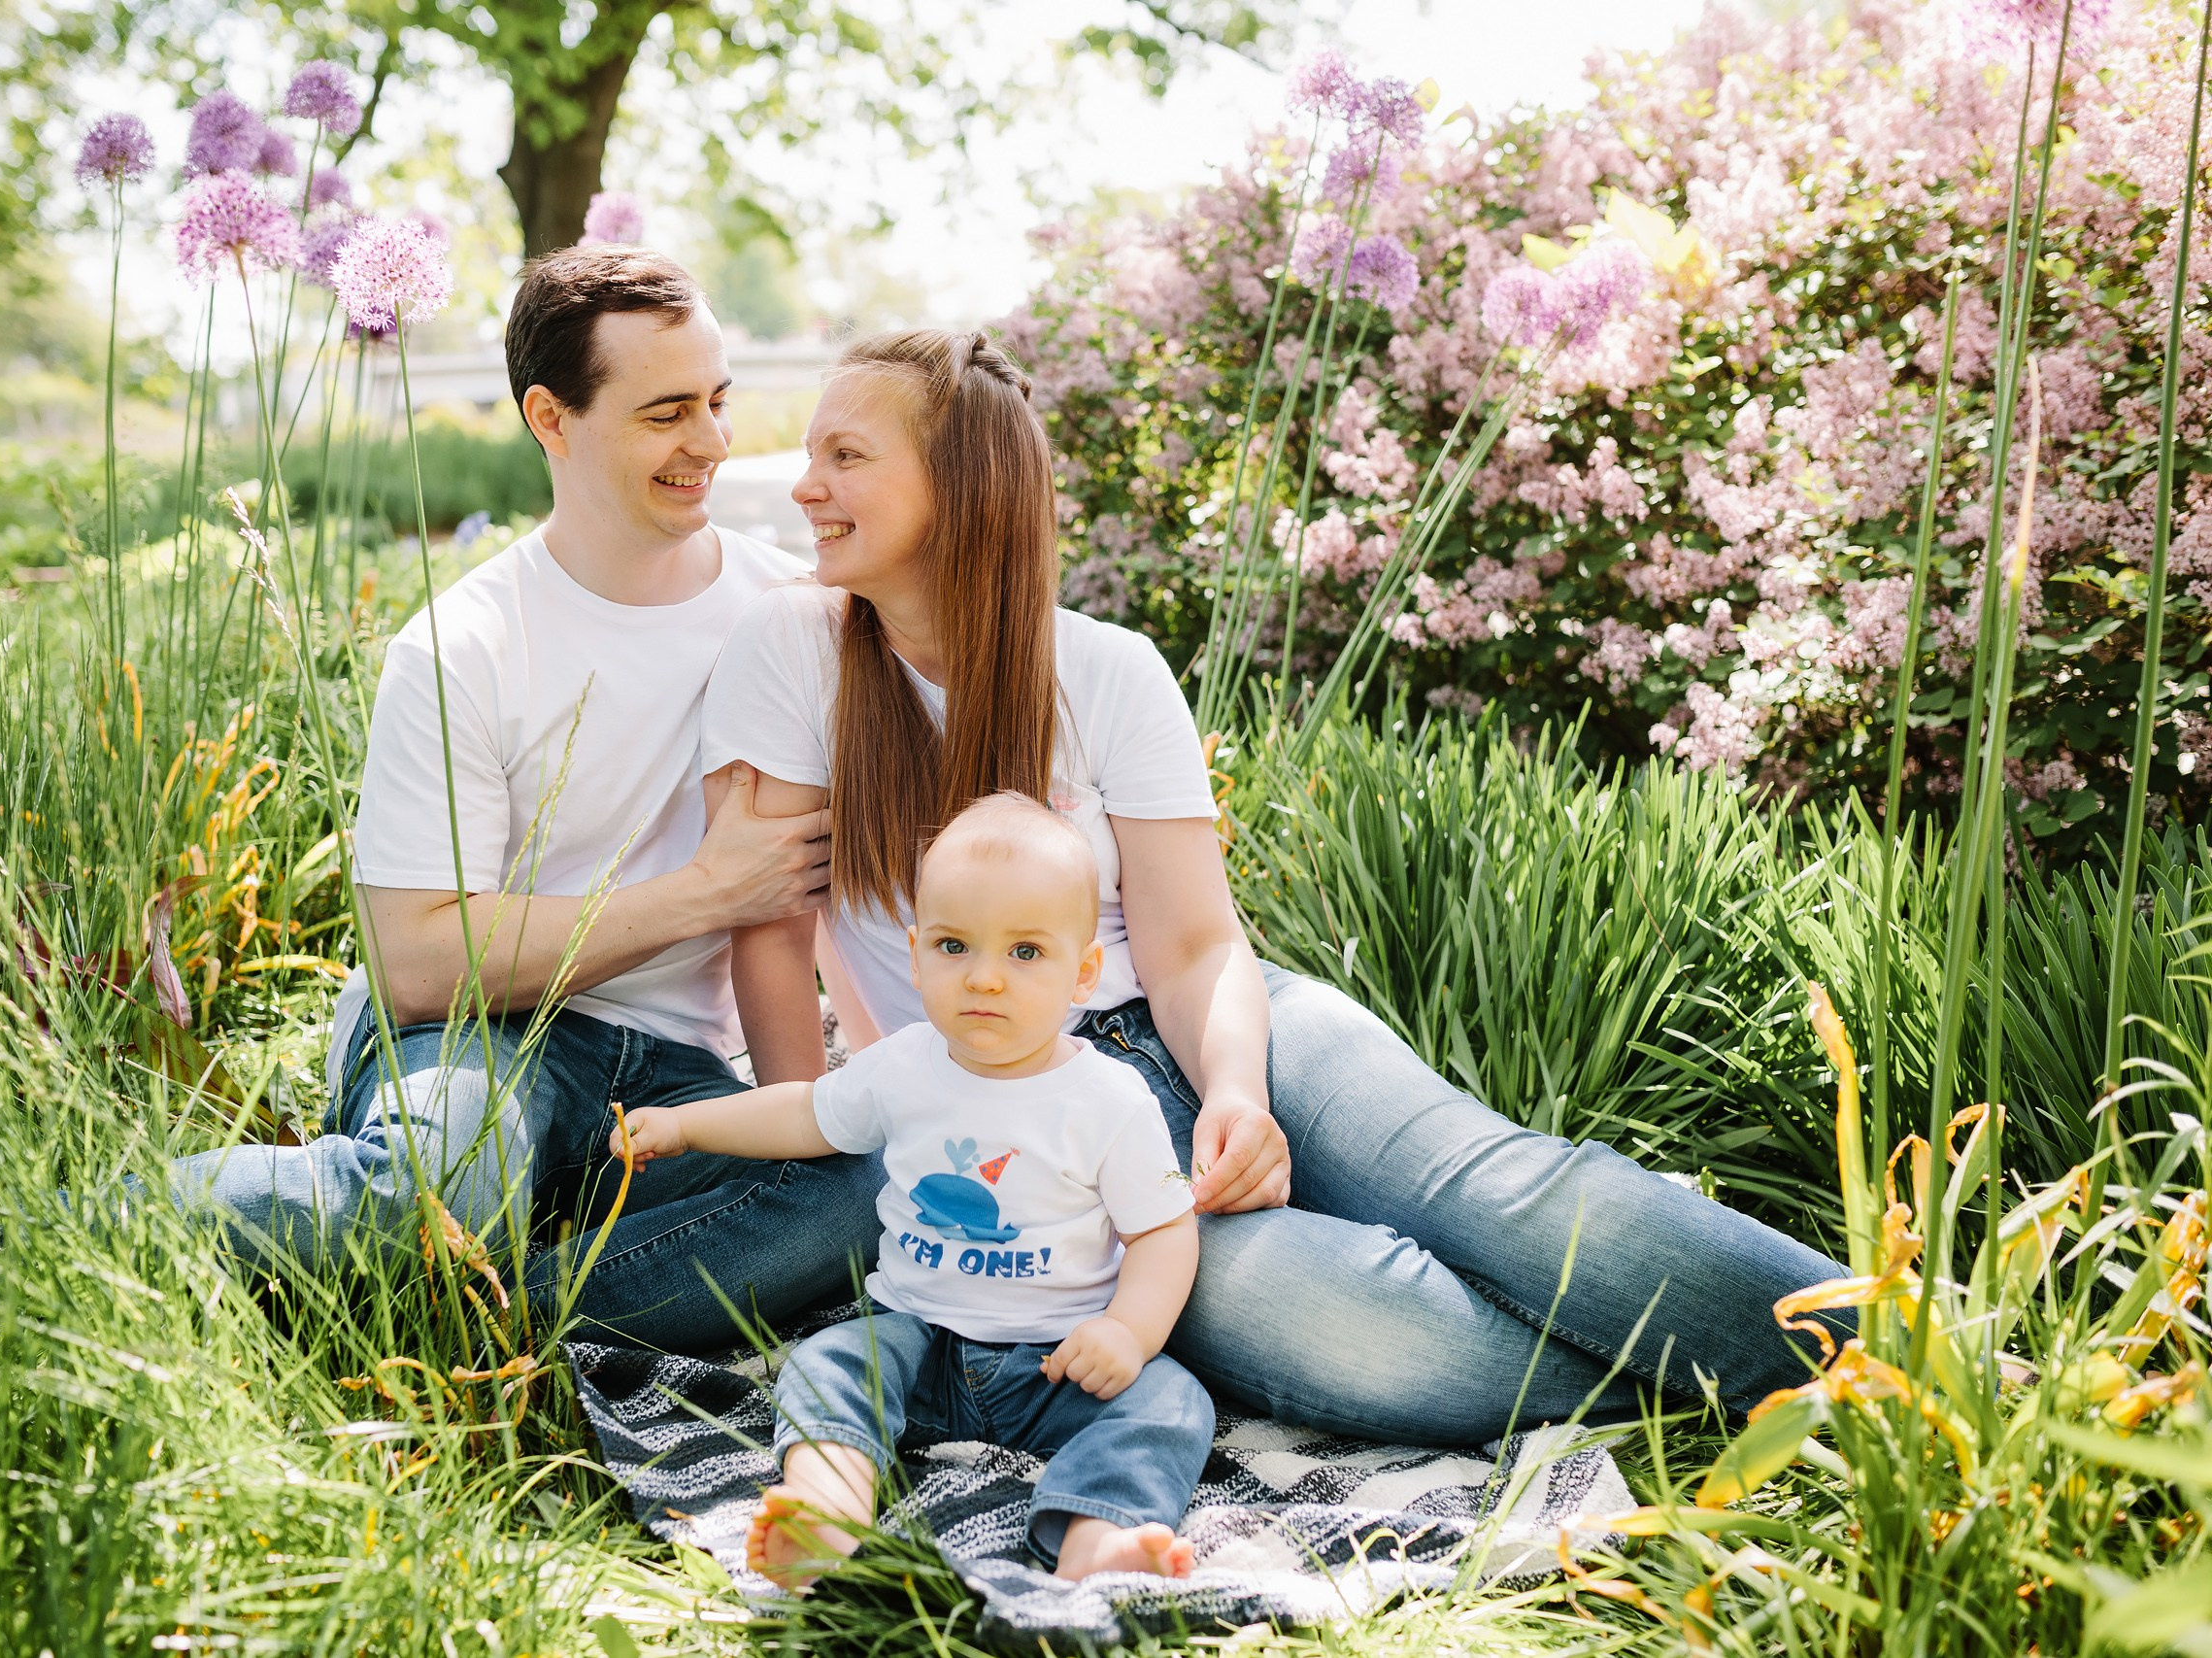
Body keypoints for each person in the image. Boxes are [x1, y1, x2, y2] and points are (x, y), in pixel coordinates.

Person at [696, 327, 1851, 1446]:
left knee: (1500, 1195)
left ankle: (1903, 1352)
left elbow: (1196, 945)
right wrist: (821, 1154)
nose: (805, 485)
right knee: (1366, 1328)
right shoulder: (793, 649)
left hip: (1233, 1031)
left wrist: (1238, 1093)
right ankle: (1751, 1360)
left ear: (963, 486)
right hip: (1043, 1117)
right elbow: (771, 929)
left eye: (845, 454)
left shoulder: (1105, 669)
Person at [157, 246, 881, 1350]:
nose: (711, 441)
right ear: (552, 418)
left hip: (675, 1077)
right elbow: (415, 965)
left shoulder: (788, 610)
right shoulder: (463, 646)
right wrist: (702, 895)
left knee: (861, 1185)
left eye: (718, 401)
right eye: (666, 413)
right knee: (443, 1179)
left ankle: (507, 1311)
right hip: (473, 1038)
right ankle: (10, 1233)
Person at [611, 794, 1212, 1586]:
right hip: (917, 1340)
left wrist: (1128, 1332)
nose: (985, 977)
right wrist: (690, 1126)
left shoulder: (1109, 1099)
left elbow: (1163, 1230)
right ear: (917, 955)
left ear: (1084, 972)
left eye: (1026, 951)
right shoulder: (904, 1065)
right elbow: (804, 1113)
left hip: (1055, 1360)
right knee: (827, 1360)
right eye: (954, 945)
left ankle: (1097, 1534)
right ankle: (827, 1500)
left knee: (1172, 1403)